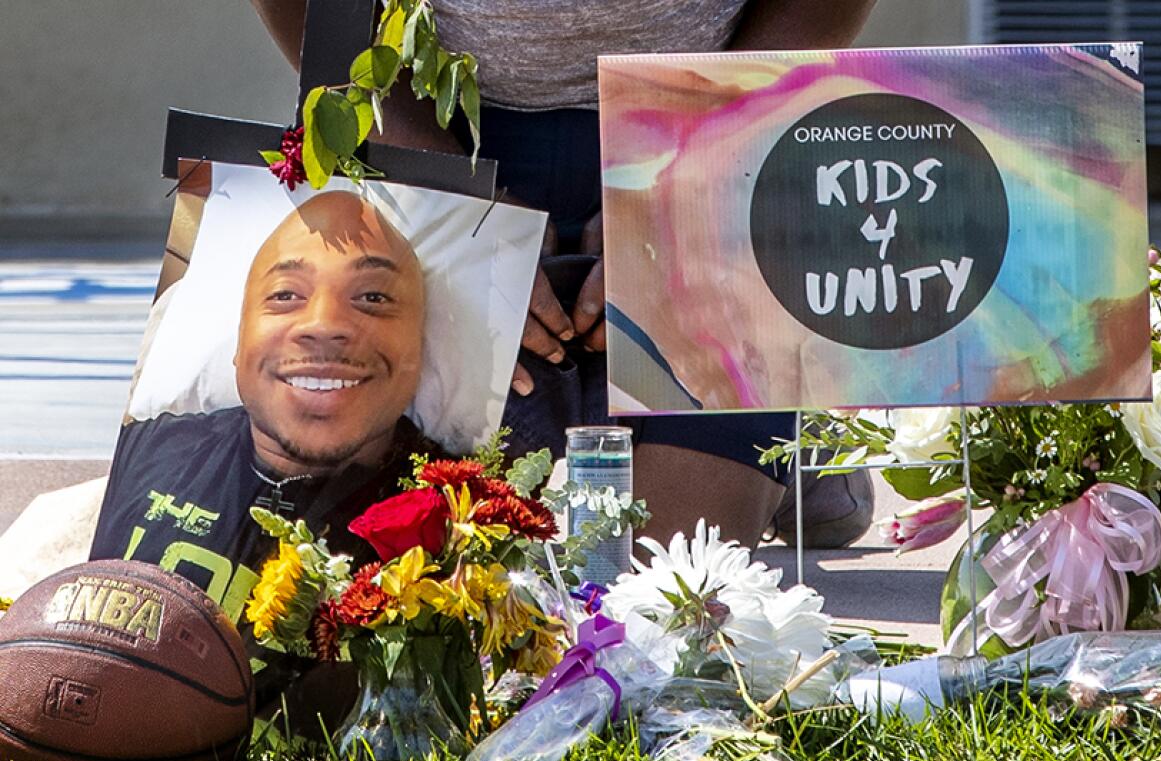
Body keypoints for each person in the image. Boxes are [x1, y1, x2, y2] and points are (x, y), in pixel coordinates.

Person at [249, 0, 877, 547]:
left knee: (662, 598)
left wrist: (684, 179)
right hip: (435, 129)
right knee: (462, 556)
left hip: (710, 119)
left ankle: (786, 434)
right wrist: (458, 202)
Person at [89, 191, 444, 625]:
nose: (323, 326)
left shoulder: (470, 520)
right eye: (285, 295)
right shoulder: (146, 450)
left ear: (420, 347)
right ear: (239, 342)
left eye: (373, 298)